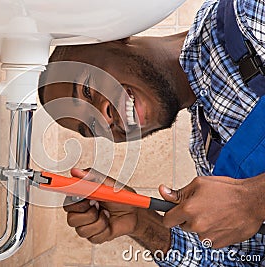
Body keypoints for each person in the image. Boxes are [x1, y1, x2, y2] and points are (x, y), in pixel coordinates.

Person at [38, 0, 265, 265]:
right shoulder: (209, 154)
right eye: (91, 127)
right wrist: (141, 220)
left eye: (87, 89)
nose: (103, 117)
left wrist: (255, 196)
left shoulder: (247, 14)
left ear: (112, 37)